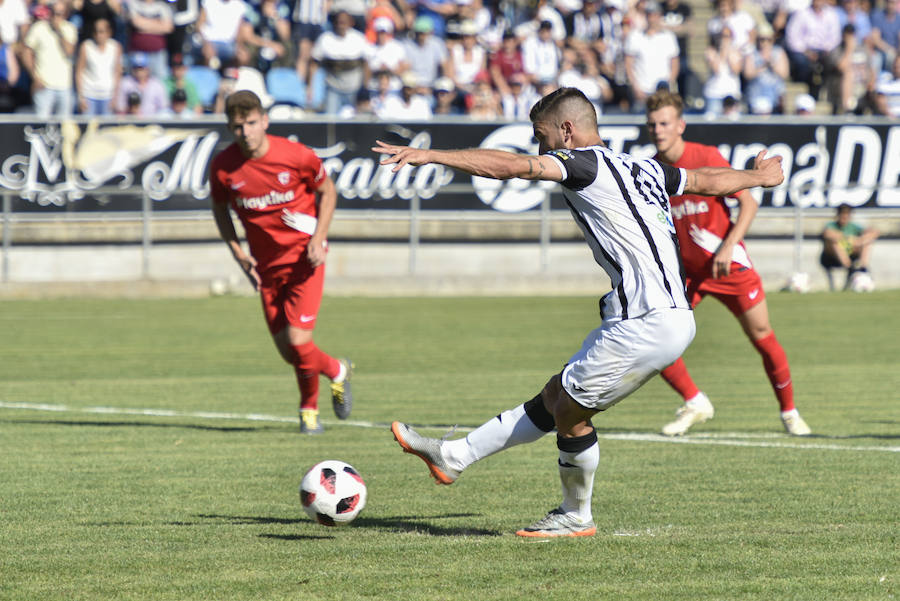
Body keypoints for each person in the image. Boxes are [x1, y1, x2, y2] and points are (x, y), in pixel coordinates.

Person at [373, 87, 785, 537]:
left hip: (646, 320)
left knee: (570, 413)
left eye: (540, 134)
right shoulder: (643, 167)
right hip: (655, 316)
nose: (538, 146)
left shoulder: (582, 163)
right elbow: (705, 181)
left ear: (567, 132)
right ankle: (453, 458)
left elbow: (514, 167)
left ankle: (574, 514)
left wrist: (432, 155)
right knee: (556, 396)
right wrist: (757, 178)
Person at [645, 90, 811, 437]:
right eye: (652, 123)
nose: (658, 129)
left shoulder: (704, 156)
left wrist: (727, 246)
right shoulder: (651, 169)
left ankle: (790, 413)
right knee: (653, 336)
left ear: (680, 125)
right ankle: (694, 401)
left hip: (728, 265)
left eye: (664, 122)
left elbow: (748, 204)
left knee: (762, 335)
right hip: (688, 275)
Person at [209, 90, 353, 434]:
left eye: (252, 123)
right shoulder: (224, 167)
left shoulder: (296, 155)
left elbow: (328, 191)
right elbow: (219, 210)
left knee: (300, 343)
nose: (246, 132)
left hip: (306, 261)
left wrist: (319, 238)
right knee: (291, 353)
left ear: (265, 121)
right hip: (266, 270)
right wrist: (239, 254)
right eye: (238, 126)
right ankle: (336, 370)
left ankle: (309, 414)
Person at [23, 1, 78, 118]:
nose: (55, 17)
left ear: (65, 14)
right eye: (53, 13)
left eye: (59, 14)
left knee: (64, 127)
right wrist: (34, 76)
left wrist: (59, 32)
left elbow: (69, 51)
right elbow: (26, 52)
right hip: (44, 85)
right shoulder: (39, 28)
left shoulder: (70, 29)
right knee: (42, 125)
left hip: (64, 86)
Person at [820, 203, 879, 290]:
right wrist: (850, 240)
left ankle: (863, 269)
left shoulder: (854, 226)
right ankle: (851, 269)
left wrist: (860, 241)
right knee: (835, 244)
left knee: (867, 243)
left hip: (851, 254)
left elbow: (874, 232)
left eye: (847, 214)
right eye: (842, 214)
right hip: (830, 258)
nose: (844, 217)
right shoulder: (831, 225)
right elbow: (828, 234)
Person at [75, 17, 122, 115]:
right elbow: (79, 71)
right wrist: (81, 97)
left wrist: (115, 96)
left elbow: (118, 72)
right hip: (89, 95)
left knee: (106, 129)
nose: (98, 35)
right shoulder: (86, 46)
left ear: (109, 32)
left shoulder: (115, 47)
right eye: (96, 31)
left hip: (108, 96)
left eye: (101, 32)